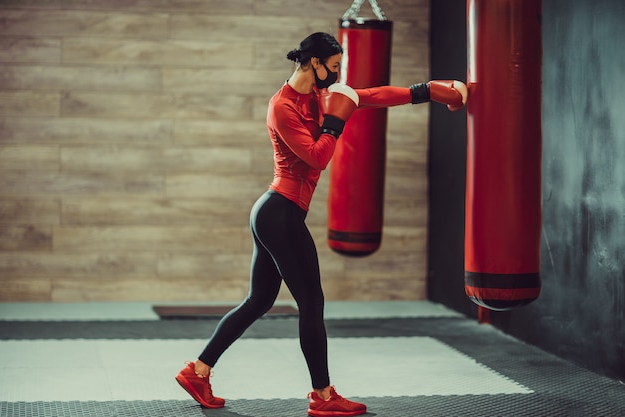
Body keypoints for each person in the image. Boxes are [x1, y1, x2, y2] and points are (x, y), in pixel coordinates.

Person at [175, 32, 468, 417]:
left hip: (276, 212)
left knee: (259, 300)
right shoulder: (282, 107)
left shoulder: (316, 95)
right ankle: (323, 396)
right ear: (314, 62)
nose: (337, 73)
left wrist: (424, 91)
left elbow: (370, 96)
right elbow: (317, 158)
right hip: (279, 213)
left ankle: (197, 371)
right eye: (333, 66)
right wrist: (333, 123)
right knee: (311, 302)